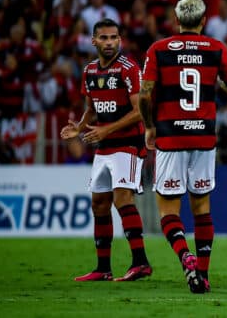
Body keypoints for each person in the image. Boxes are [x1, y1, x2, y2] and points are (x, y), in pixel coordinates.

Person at [139, 0, 227, 294]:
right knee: (201, 208)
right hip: (204, 136)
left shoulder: (158, 49)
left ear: (176, 19)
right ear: (204, 20)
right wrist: (214, 83)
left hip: (170, 136)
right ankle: (204, 274)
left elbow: (145, 95)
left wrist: (149, 127)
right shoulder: (216, 48)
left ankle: (187, 259)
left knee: (169, 210)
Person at [60, 19, 152, 282]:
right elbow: (92, 108)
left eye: (114, 37)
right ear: (94, 41)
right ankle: (103, 268)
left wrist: (105, 130)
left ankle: (141, 262)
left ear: (120, 39)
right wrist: (80, 127)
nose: (110, 42)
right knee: (99, 203)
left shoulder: (128, 68)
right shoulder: (89, 71)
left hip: (127, 144)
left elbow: (140, 112)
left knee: (123, 198)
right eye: (104, 38)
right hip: (104, 147)